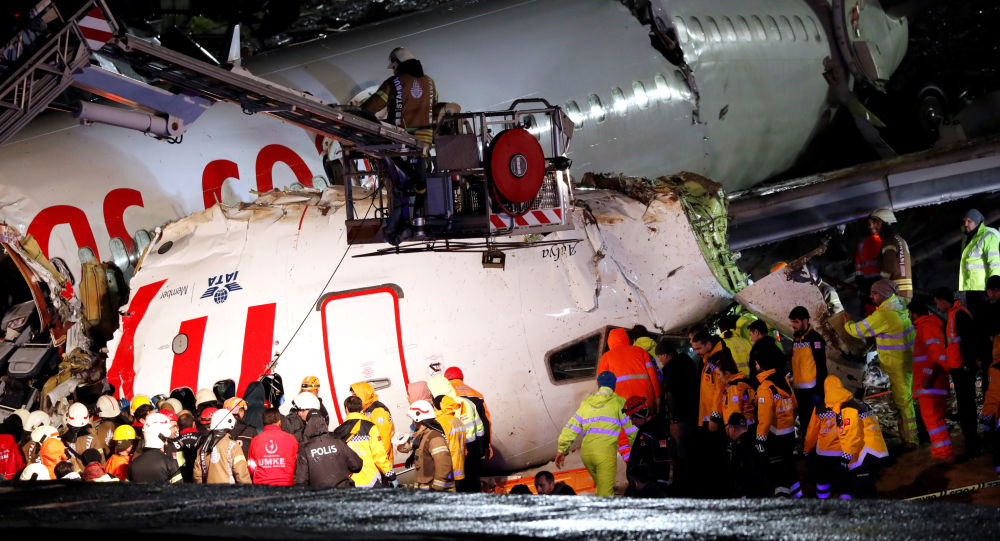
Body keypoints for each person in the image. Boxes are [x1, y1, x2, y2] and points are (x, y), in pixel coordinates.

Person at [845, 279, 918, 447]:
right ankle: (909, 435)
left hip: (896, 363)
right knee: (908, 399)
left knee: (903, 403)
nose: (871, 296)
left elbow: (858, 331)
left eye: (874, 293)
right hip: (908, 360)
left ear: (883, 294)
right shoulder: (901, 305)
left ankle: (911, 440)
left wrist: (846, 322)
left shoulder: (884, 315)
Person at [556, 371, 637, 497]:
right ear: (614, 385)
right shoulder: (619, 402)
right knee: (605, 494)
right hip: (605, 455)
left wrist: (562, 449)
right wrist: (637, 449)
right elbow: (631, 429)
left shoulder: (586, 403)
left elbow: (571, 427)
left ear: (598, 384)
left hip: (587, 455)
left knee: (600, 487)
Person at [934, 287, 982, 456]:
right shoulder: (954, 314)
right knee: (965, 405)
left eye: (937, 303)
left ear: (943, 300)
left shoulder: (958, 314)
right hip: (959, 368)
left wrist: (967, 365)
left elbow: (968, 341)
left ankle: (972, 443)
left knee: (967, 406)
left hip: (963, 369)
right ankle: (971, 440)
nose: (937, 306)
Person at [826, 375, 888, 498]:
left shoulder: (848, 408)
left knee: (863, 492)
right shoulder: (854, 403)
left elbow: (852, 436)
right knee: (867, 490)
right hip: (872, 452)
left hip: (865, 454)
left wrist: (845, 459)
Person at [909, 298, 955, 462]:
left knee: (934, 422)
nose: (908, 317)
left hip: (929, 385)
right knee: (936, 422)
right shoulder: (927, 326)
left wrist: (927, 376)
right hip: (932, 384)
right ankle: (941, 453)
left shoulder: (926, 327)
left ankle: (945, 455)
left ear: (915, 313)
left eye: (909, 313)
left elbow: (935, 353)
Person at [754, 344, 801, 498]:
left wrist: (760, 439)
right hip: (789, 432)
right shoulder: (784, 380)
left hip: (775, 437)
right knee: (789, 468)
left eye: (756, 363)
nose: (755, 366)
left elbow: (765, 419)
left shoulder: (765, 387)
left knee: (778, 473)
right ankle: (798, 497)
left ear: (762, 365)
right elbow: (794, 406)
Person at [654, 339, 698, 496]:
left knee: (679, 453)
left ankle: (681, 486)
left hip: (679, 417)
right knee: (690, 450)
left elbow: (670, 397)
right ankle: (692, 482)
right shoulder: (688, 361)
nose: (660, 360)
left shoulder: (670, 370)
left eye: (660, 356)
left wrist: (671, 419)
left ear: (666, 355)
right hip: (693, 413)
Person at [428, 374, 485, 492]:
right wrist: (480, 449)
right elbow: (480, 428)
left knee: (461, 487)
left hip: (457, 454)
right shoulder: (467, 403)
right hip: (473, 450)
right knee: (474, 483)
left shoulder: (441, 411)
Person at [333, 395, 393, 488]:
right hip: (371, 480)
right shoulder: (370, 427)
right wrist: (389, 472)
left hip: (351, 482)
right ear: (361, 408)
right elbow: (378, 454)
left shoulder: (338, 431)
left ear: (346, 409)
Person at [599, 328, 661, 416]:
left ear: (610, 341)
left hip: (622, 407)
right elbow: (654, 378)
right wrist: (657, 403)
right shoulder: (641, 352)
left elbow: (602, 387)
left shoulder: (605, 358)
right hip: (646, 404)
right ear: (626, 338)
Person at [294, 409, 362, 488]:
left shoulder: (305, 449)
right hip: (343, 493)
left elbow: (300, 481)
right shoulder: (338, 442)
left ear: (307, 423)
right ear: (323, 422)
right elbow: (357, 465)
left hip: (322, 496)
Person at [958, 209, 1000, 333]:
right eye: (964, 221)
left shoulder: (988, 237)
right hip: (971, 290)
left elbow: (994, 263)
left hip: (983, 290)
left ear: (977, 222)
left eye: (969, 221)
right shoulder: (968, 238)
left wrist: (994, 289)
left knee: (985, 324)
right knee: (978, 325)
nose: (965, 224)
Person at [804, 379, 846, 499]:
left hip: (823, 453)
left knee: (822, 481)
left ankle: (823, 502)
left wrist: (807, 449)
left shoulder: (819, 408)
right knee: (844, 481)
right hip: (842, 452)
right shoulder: (847, 407)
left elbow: (812, 432)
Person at [789, 306, 827, 433]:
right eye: (792, 322)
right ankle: (807, 447)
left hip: (813, 391)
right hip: (801, 390)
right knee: (805, 422)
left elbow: (821, 366)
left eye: (796, 322)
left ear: (805, 321)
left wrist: (819, 390)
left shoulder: (815, 339)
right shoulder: (797, 339)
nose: (793, 325)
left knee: (815, 424)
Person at [623, 396, 672, 494]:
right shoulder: (646, 431)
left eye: (633, 418)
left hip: (648, 489)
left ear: (641, 415)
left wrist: (657, 487)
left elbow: (662, 463)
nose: (632, 422)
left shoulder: (656, 432)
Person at [445, 367, 492, 460]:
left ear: (446, 380)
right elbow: (486, 421)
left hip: (455, 446)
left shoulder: (445, 396)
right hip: (475, 445)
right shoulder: (477, 395)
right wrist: (487, 445)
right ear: (462, 379)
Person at [193, 409, 252, 484]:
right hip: (229, 493)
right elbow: (241, 474)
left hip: (208, 492)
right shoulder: (233, 446)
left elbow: (197, 476)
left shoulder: (203, 447)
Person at [406, 400, 454, 491]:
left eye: (413, 419)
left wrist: (436, 488)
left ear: (419, 419)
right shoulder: (424, 435)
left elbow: (443, 464)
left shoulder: (434, 438)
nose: (412, 422)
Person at [870, 208, 913, 300]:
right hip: (905, 292)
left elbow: (888, 267)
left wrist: (878, 286)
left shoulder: (889, 240)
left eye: (877, 222)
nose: (874, 226)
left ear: (886, 223)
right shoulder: (899, 239)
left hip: (895, 293)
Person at [248, 407, 298, 486]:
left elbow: (251, 466)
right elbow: (297, 463)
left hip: (262, 486)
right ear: (279, 421)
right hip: (287, 485)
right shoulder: (291, 439)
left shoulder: (255, 441)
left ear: (263, 422)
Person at [127, 413, 182, 484]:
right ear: (162, 438)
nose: (167, 443)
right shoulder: (170, 463)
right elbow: (180, 490)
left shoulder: (133, 464)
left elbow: (127, 491)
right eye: (166, 439)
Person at [350, 382, 396, 464]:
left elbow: (384, 440)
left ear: (363, 394)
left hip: (382, 461)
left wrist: (379, 461)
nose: (354, 399)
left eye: (356, 396)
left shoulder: (377, 411)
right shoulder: (368, 409)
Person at [725, 413, 768, 498]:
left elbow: (735, 472)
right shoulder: (758, 442)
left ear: (732, 428)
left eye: (728, 429)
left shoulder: (738, 445)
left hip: (749, 495)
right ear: (746, 427)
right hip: (764, 492)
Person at [432, 395, 467, 488]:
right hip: (461, 467)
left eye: (434, 405)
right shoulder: (457, 420)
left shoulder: (440, 422)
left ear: (439, 406)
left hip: (448, 469)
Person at [856, 215, 883, 315]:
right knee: (870, 302)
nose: (870, 227)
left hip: (874, 279)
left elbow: (858, 262)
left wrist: (859, 277)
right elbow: (858, 262)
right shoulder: (866, 242)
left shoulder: (880, 240)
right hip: (872, 280)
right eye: (869, 225)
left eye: (871, 224)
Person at [175, 412, 200, 482]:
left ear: (178, 426)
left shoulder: (174, 442)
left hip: (181, 479)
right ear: (194, 424)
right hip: (199, 479)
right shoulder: (203, 438)